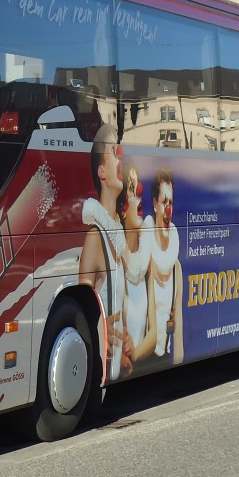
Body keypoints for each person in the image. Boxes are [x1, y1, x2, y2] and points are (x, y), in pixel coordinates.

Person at [78, 124, 131, 380]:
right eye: (113, 152)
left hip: (116, 364)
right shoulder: (94, 238)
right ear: (101, 171)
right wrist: (100, 328)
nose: (120, 159)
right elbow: (81, 311)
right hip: (103, 363)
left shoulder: (118, 235)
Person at [120, 162, 157, 372]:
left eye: (139, 189)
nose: (140, 197)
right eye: (132, 191)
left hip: (136, 364)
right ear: (123, 209)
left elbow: (154, 332)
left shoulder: (146, 258)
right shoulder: (115, 259)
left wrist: (135, 353)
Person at [149, 167, 183, 364]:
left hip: (165, 358)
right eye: (164, 202)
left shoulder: (176, 267)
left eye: (171, 202)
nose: (168, 209)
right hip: (144, 357)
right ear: (155, 204)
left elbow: (178, 335)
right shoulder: (144, 258)